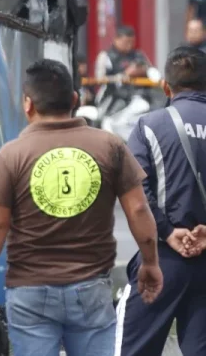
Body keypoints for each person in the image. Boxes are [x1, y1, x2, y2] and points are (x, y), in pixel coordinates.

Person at [0, 58, 162, 356]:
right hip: (91, 289)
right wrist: (150, 262)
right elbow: (137, 210)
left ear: (28, 104)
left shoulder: (12, 154)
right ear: (75, 99)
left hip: (29, 290)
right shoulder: (109, 146)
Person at [118, 46, 206, 355]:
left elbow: (137, 193)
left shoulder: (149, 126)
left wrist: (168, 231)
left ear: (166, 87)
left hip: (162, 259)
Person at [94, 26, 155, 106]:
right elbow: (99, 79)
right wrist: (125, 75)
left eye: (132, 42)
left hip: (139, 95)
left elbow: (152, 72)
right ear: (116, 40)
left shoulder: (138, 55)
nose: (129, 45)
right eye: (126, 42)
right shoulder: (105, 56)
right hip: (113, 97)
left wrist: (143, 71)